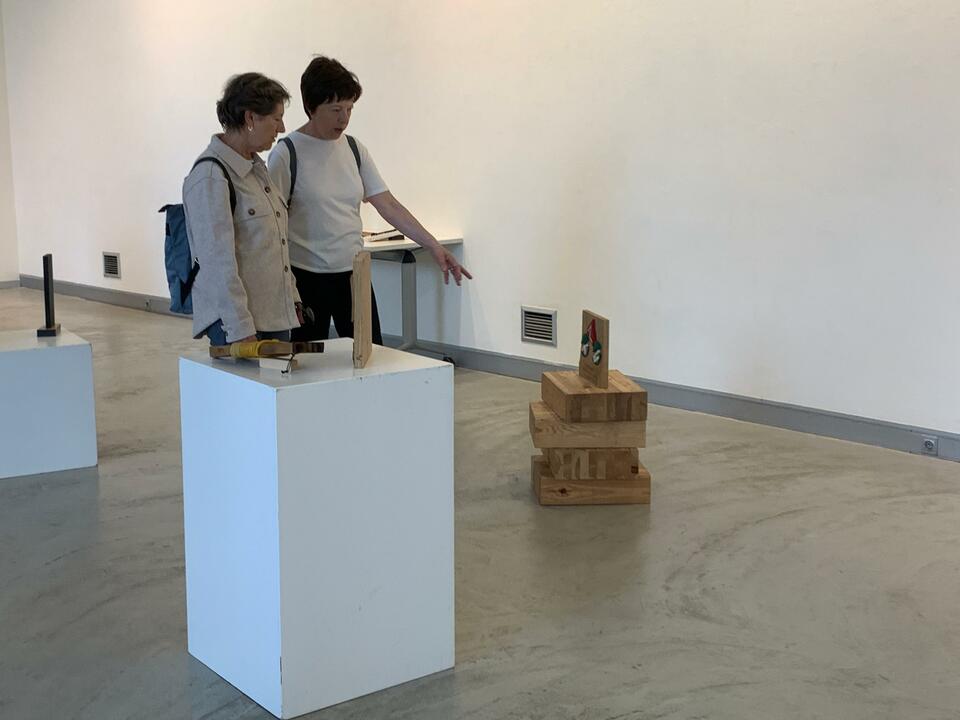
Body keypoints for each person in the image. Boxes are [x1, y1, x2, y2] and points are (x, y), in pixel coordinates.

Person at [267, 56, 471, 344]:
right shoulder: (287, 154)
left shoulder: (354, 149)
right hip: (305, 277)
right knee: (306, 360)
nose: (344, 118)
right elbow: (272, 223)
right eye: (336, 110)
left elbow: (388, 205)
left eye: (349, 109)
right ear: (311, 107)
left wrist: (433, 246)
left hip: (353, 274)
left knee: (369, 354)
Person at [183, 72, 303, 346]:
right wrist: (240, 329)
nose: (282, 128)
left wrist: (292, 298)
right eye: (276, 118)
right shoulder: (211, 176)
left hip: (273, 318)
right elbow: (217, 263)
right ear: (250, 118)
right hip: (240, 327)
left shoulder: (257, 170)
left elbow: (275, 243)